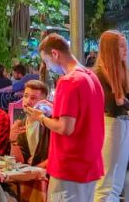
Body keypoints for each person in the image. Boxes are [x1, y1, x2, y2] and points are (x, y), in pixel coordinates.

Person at [24, 33, 105, 201]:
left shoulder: (68, 81)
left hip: (69, 165)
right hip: (90, 163)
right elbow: (82, 117)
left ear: (55, 54)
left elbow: (65, 128)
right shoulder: (92, 78)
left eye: (46, 61)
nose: (48, 67)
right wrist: (53, 111)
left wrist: (41, 118)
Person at [93, 30, 129, 201]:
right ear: (111, 49)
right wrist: (121, 102)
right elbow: (114, 106)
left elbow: (122, 102)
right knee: (106, 181)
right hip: (110, 125)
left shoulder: (120, 73)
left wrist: (123, 102)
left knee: (116, 181)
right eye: (121, 46)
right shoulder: (100, 75)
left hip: (121, 124)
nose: (125, 49)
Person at [10, 80, 51, 167]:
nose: (27, 101)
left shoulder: (50, 123)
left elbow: (58, 156)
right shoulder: (20, 125)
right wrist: (13, 141)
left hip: (49, 174)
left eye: (33, 98)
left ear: (43, 101)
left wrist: (36, 170)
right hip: (28, 172)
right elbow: (19, 161)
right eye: (25, 96)